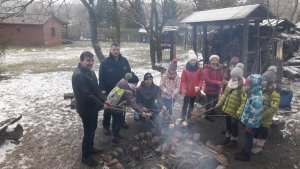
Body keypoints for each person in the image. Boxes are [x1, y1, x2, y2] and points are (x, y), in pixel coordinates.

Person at [72, 51, 106, 167]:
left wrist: (104, 99)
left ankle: (91, 148)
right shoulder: (78, 75)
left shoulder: (90, 72)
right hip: (85, 108)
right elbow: (87, 95)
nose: (90, 63)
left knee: (93, 128)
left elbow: (96, 89)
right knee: (88, 131)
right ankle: (85, 157)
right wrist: (102, 104)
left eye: (92, 60)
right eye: (88, 60)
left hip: (93, 107)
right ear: (81, 61)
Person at [99, 43, 131, 135]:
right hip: (110, 90)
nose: (116, 51)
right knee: (108, 109)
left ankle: (121, 122)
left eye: (117, 49)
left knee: (122, 107)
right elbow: (101, 79)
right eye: (114, 50)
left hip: (121, 90)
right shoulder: (105, 63)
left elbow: (129, 73)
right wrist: (103, 92)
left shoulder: (124, 61)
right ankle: (106, 126)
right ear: (110, 50)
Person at [107, 72, 146, 144]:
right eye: (136, 83)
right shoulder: (128, 91)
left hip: (112, 104)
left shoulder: (122, 81)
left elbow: (126, 96)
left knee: (115, 121)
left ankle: (116, 134)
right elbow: (133, 104)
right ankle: (115, 138)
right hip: (118, 108)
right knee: (118, 123)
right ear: (133, 83)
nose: (136, 85)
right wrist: (141, 112)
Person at [216, 64, 247, 148]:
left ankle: (233, 141)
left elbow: (243, 102)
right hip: (227, 109)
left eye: (235, 77)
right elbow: (225, 95)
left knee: (234, 126)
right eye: (232, 76)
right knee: (228, 124)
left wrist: (239, 112)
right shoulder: (230, 84)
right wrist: (219, 103)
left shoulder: (242, 88)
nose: (232, 78)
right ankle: (228, 137)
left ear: (239, 77)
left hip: (235, 111)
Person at [235, 74, 264, 161]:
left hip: (251, 124)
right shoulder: (252, 93)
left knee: (249, 138)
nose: (246, 86)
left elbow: (255, 113)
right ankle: (245, 150)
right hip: (248, 121)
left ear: (253, 84)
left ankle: (246, 155)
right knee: (247, 137)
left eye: (248, 84)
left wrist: (249, 126)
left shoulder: (257, 97)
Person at [252, 66, 280, 154]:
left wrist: (262, 114)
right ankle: (253, 143)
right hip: (258, 116)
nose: (262, 81)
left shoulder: (275, 94)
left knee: (263, 132)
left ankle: (259, 146)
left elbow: (273, 108)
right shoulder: (262, 90)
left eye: (264, 80)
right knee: (256, 130)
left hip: (265, 118)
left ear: (270, 82)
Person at [180, 50, 203, 125]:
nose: (193, 62)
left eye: (194, 60)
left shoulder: (199, 69)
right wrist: (183, 90)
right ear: (189, 61)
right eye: (191, 60)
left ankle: (189, 118)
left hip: (194, 91)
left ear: (196, 61)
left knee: (191, 105)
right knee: (185, 105)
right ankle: (182, 118)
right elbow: (183, 81)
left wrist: (199, 86)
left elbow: (200, 79)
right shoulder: (185, 70)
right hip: (187, 91)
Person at [203, 55, 224, 122]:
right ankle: (207, 115)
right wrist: (217, 82)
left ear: (218, 61)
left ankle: (212, 111)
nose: (214, 61)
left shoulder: (220, 68)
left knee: (215, 101)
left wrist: (222, 81)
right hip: (209, 89)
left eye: (216, 60)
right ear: (210, 61)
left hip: (217, 89)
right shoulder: (207, 69)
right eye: (213, 60)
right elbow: (206, 79)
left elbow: (222, 76)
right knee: (208, 103)